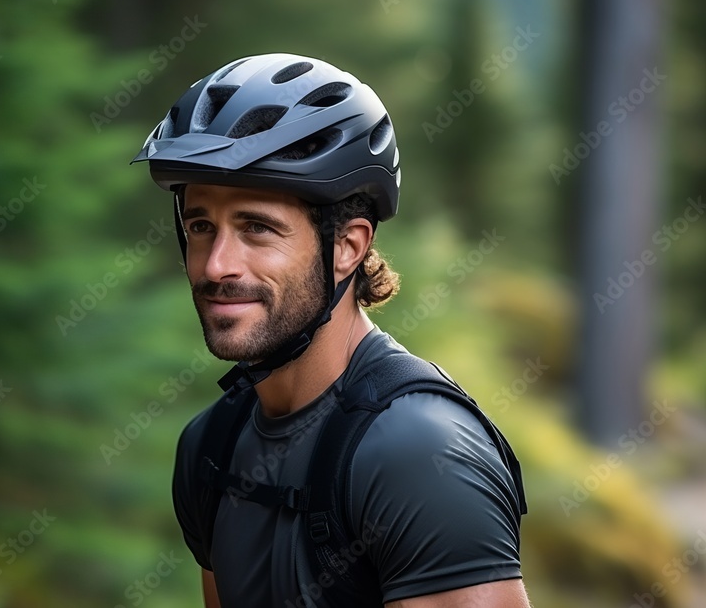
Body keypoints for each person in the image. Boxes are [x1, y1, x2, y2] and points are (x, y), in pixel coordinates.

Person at [131, 53, 530, 608]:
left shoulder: (419, 454)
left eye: (256, 228)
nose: (217, 265)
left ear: (347, 248)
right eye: (202, 226)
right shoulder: (211, 447)